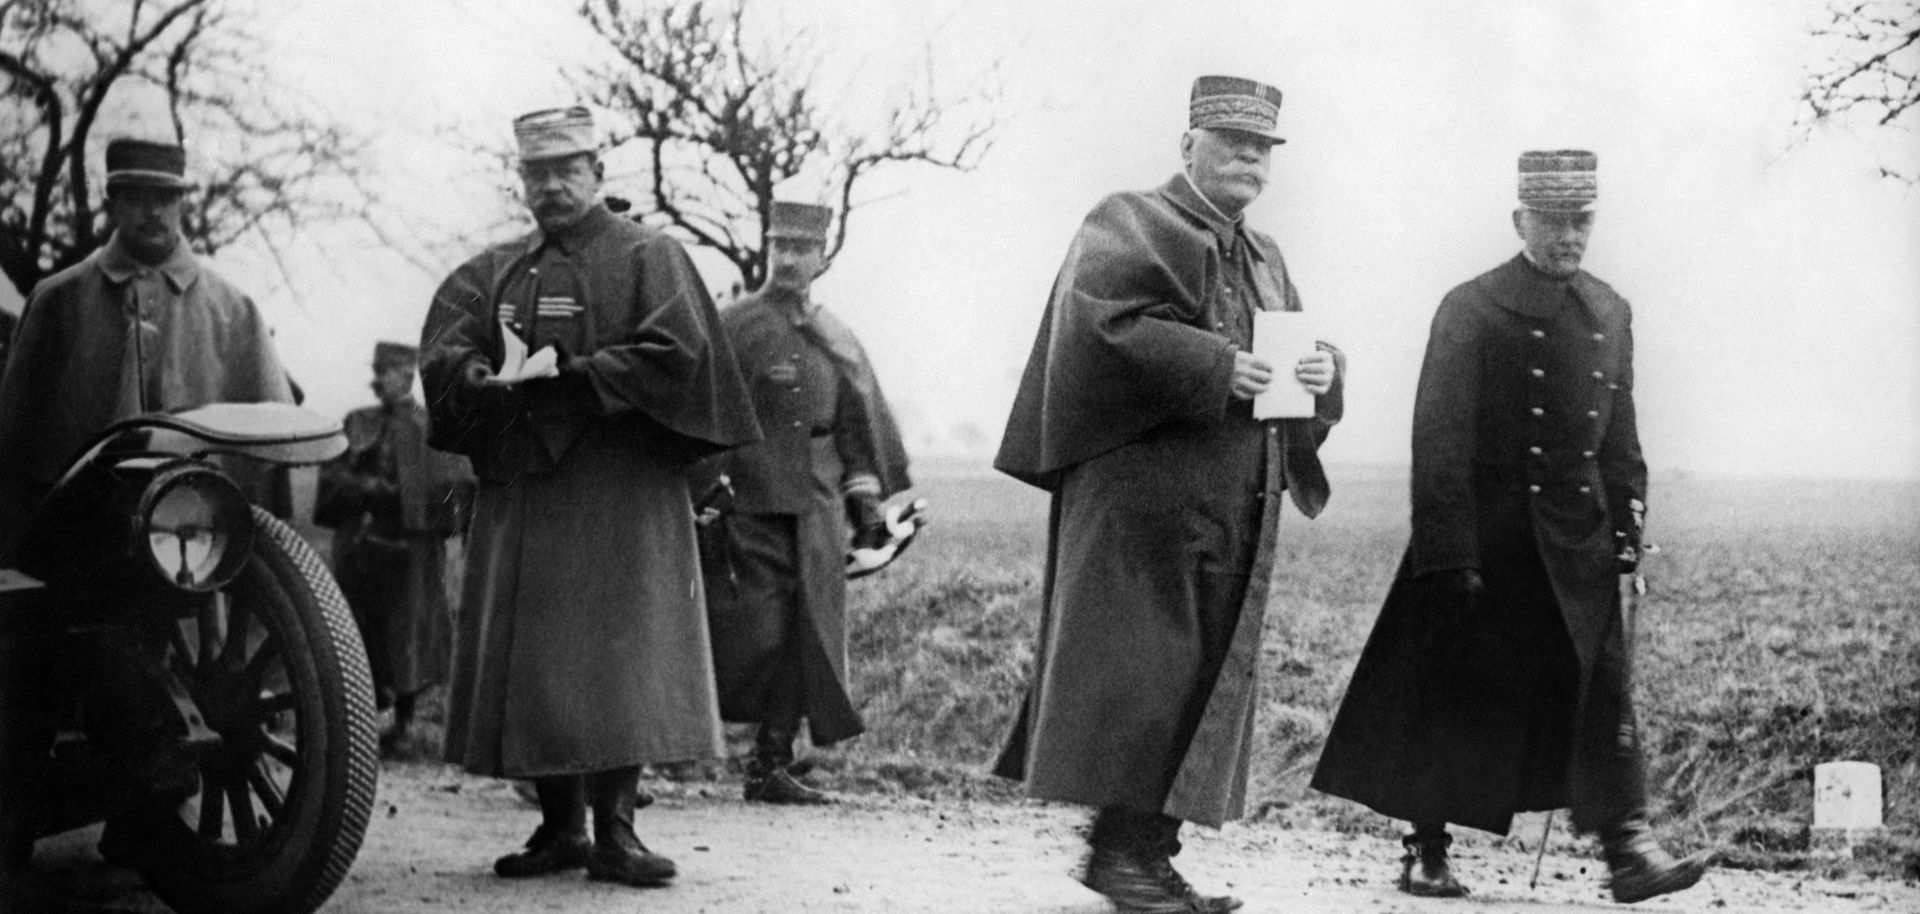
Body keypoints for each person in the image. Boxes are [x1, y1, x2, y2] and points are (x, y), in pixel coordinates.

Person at [1309, 150, 1709, 904]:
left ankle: (1628, 847)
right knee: (1450, 692)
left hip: (1576, 538)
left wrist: (1628, 523)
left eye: (1581, 220)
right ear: (1520, 219)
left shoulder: (1611, 309)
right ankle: (1426, 848)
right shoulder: (1472, 306)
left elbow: (1618, 435)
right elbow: (1438, 436)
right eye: (1554, 220)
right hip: (1485, 538)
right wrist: (1448, 551)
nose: (1569, 235)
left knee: (1598, 692)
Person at [993, 75, 1345, 913]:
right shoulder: (1130, 220)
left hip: (1232, 508)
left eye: (1261, 147)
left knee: (1198, 683)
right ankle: (1117, 857)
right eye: (1231, 141)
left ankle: (1149, 854)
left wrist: (1324, 374)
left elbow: (1287, 365)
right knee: (1139, 680)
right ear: (1188, 144)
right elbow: (1101, 328)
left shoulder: (1265, 256)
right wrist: (1220, 366)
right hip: (1140, 507)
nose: (1248, 159)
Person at [418, 106, 758, 889]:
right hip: (525, 492)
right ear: (522, 181)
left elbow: (682, 354)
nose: (552, 185)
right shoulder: (495, 269)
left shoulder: (652, 257)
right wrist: (471, 374)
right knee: (535, 662)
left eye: (568, 168)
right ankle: (560, 827)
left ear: (600, 172)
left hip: (621, 490)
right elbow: (447, 348)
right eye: (537, 173)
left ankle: (618, 832)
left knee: (620, 658)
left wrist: (580, 376)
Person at [694, 201, 911, 805]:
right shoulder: (732, 326)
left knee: (803, 638)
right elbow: (701, 414)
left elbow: (856, 435)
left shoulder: (836, 337)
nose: (789, 258)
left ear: (822, 257)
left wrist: (867, 510)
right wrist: (704, 492)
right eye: (780, 245)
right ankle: (642, 756)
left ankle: (770, 762)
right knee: (747, 638)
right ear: (767, 247)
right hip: (746, 506)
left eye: (802, 248)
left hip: (815, 512)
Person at [0, 136, 293, 560]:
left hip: (194, 541)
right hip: (76, 542)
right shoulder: (57, 300)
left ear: (181, 204)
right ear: (112, 203)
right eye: (135, 197)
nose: (152, 212)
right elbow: (12, 439)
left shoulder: (234, 311)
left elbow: (273, 447)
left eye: (164, 197)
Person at [314, 341, 473, 752]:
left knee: (408, 637)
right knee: (356, 630)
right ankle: (357, 721)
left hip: (412, 553)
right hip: (362, 546)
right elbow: (331, 478)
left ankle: (403, 725)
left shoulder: (432, 427)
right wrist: (369, 489)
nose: (380, 379)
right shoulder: (356, 423)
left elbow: (454, 487)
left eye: (390, 371)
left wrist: (417, 506)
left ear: (407, 375)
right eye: (379, 370)